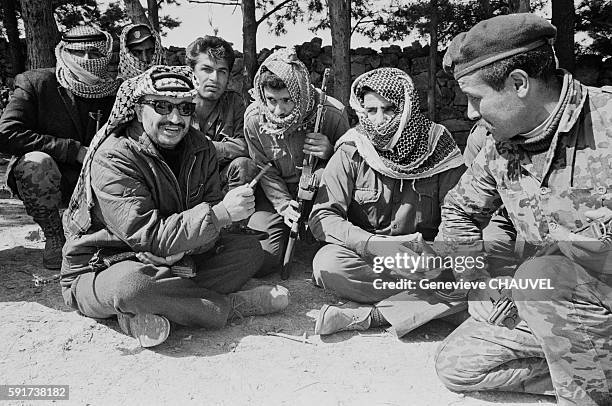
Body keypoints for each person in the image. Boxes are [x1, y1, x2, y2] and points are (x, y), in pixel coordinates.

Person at [433, 13, 612, 405]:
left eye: (476, 98)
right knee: (457, 364)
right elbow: (459, 212)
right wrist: (476, 283)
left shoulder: (607, 122)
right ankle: (589, 371)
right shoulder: (499, 147)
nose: (469, 113)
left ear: (518, 83)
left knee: (543, 273)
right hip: (556, 306)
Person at [61, 65, 289, 348]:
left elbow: (209, 225)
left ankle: (153, 310)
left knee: (248, 252)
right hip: (108, 264)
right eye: (162, 106)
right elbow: (147, 235)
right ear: (137, 108)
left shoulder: (200, 147)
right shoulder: (114, 157)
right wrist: (220, 215)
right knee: (133, 287)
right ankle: (228, 307)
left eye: (184, 109)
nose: (175, 118)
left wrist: (182, 250)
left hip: (179, 255)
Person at [309, 68, 466, 337]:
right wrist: (373, 245)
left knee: (474, 272)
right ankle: (435, 306)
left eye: (389, 109)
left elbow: (460, 217)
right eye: (371, 111)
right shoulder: (352, 149)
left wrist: (435, 259)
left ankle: (373, 315)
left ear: (407, 108)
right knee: (327, 263)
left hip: (426, 259)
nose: (380, 120)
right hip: (371, 256)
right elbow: (323, 217)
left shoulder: (438, 146)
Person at [0, 25, 119, 269]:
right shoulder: (36, 82)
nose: (86, 60)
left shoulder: (117, 91)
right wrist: (72, 150)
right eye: (78, 53)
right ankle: (55, 236)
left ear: (105, 56)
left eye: (95, 54)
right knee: (36, 164)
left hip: (101, 177)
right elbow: (7, 133)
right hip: (55, 177)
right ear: (64, 52)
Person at [244, 47, 351, 275]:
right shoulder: (254, 119)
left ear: (301, 92)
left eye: (286, 100)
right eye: (271, 99)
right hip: (276, 193)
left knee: (330, 258)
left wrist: (331, 152)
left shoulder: (333, 113)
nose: (278, 110)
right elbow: (265, 168)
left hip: (321, 191)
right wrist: (283, 206)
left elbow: (352, 167)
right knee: (263, 260)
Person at [186, 36, 256, 193]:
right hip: (184, 180)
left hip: (218, 181)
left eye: (222, 72)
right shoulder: (178, 102)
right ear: (192, 73)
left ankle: (236, 216)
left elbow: (246, 146)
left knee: (244, 165)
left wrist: (206, 147)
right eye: (207, 69)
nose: (214, 78)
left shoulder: (234, 102)